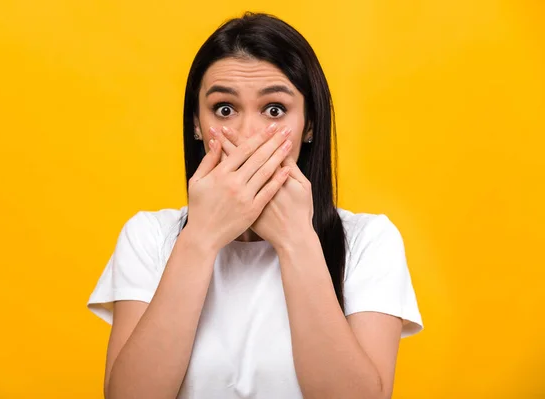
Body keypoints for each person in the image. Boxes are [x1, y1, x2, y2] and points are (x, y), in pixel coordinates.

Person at [87, 12, 423, 399]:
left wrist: (297, 240)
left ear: (309, 124)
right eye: (225, 109)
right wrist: (201, 237)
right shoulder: (149, 237)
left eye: (274, 110)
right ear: (197, 123)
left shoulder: (370, 241)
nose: (247, 134)